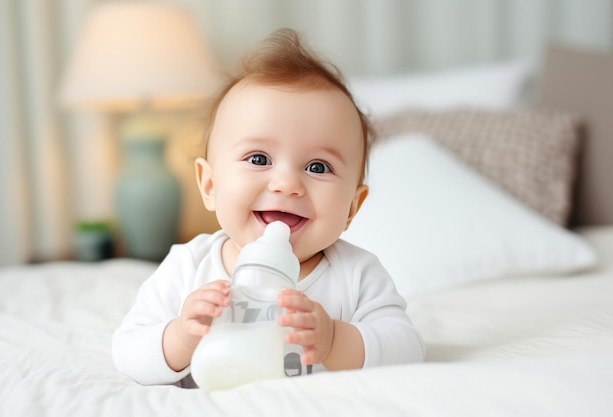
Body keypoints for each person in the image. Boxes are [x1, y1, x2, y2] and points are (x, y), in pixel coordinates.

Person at [112, 28, 424, 387]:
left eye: (318, 167)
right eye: (258, 158)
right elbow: (126, 351)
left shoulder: (356, 275)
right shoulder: (189, 266)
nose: (287, 183)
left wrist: (336, 340)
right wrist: (180, 337)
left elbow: (408, 348)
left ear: (352, 207)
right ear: (210, 186)